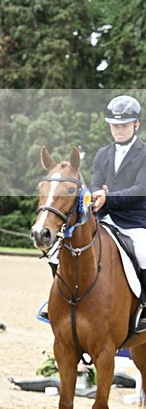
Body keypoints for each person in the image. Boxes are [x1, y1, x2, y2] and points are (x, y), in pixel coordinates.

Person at [90, 95, 146, 332]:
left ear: (136, 125)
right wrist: (96, 193)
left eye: (123, 125)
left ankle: (144, 307)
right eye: (114, 125)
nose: (118, 130)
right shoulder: (102, 153)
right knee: (67, 247)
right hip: (103, 218)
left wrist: (108, 196)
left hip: (134, 220)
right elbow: (95, 183)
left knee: (143, 253)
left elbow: (141, 189)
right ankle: (59, 303)